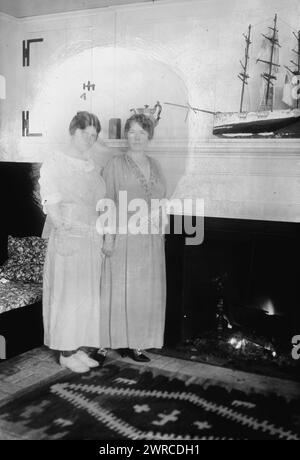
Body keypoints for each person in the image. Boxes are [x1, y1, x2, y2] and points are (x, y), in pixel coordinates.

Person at [39, 111, 106, 373]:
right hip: (67, 234)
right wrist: (63, 234)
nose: (89, 139)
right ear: (72, 131)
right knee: (67, 295)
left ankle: (78, 347)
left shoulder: (92, 165)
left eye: (93, 135)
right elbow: (51, 201)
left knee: (84, 294)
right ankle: (65, 352)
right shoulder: (55, 161)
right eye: (84, 133)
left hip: (90, 236)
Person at [100, 113, 167, 362]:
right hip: (123, 237)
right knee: (116, 291)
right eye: (132, 131)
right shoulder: (115, 164)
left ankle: (134, 344)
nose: (137, 136)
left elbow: (161, 201)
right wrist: (108, 237)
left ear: (149, 136)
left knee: (141, 293)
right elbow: (107, 201)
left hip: (149, 241)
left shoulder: (156, 165)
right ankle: (104, 345)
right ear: (126, 135)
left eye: (142, 132)